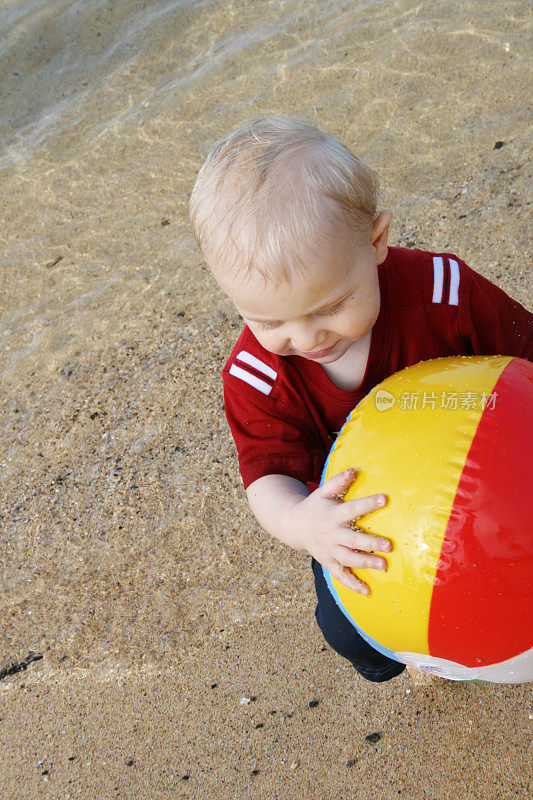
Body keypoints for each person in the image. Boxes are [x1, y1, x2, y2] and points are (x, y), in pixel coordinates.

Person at [189, 114, 533, 684]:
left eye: (327, 307)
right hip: (360, 530)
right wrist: (304, 524)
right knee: (351, 635)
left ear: (376, 242)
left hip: (491, 483)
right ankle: (408, 656)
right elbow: (267, 477)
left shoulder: (444, 294)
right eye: (269, 319)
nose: (306, 339)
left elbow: (526, 361)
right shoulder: (256, 375)